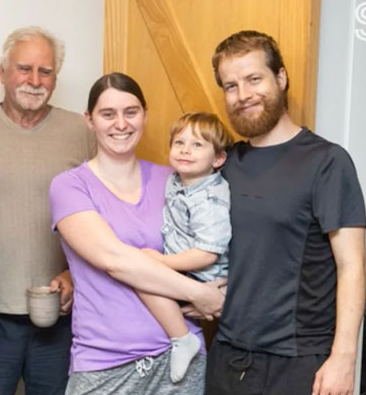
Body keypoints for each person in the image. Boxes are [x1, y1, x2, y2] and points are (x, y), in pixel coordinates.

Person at [205, 30, 366, 395]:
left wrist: (344, 358)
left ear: (280, 78)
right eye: (230, 86)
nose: (243, 95)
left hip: (299, 363)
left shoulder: (327, 162)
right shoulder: (225, 165)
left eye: (253, 79)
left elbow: (352, 265)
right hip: (227, 356)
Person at [50, 72, 226, 395]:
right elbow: (115, 260)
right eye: (108, 114)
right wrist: (200, 294)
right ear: (89, 120)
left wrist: (221, 289)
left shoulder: (174, 179)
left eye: (130, 112)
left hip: (180, 359)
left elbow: (216, 237)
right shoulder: (69, 186)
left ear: (145, 115)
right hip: (104, 363)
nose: (121, 124)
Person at [0, 26, 94, 394]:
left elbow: (104, 220)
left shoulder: (82, 131)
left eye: (45, 71)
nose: (34, 81)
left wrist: (73, 275)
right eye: (24, 69)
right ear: (2, 72)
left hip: (62, 319)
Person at [139, 112, 234, 383]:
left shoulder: (209, 199)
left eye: (197, 145)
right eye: (179, 143)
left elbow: (207, 253)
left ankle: (182, 338)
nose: (185, 150)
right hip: (186, 267)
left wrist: (160, 262)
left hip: (203, 274)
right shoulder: (175, 179)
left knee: (142, 276)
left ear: (218, 159)